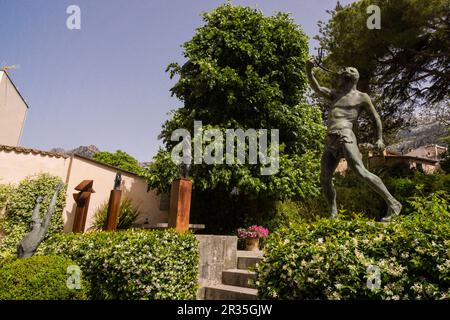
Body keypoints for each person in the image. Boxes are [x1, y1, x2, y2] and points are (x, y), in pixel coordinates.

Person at [306, 58, 401, 221]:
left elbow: (375, 117)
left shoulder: (362, 97)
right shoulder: (335, 94)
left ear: (356, 76)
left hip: (346, 135)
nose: (345, 70)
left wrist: (379, 138)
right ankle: (333, 213)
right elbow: (317, 88)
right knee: (324, 178)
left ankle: (393, 203)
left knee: (360, 171)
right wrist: (309, 71)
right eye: (345, 69)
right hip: (330, 139)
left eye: (350, 69)